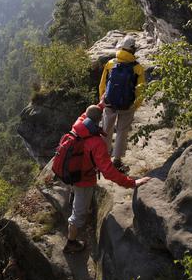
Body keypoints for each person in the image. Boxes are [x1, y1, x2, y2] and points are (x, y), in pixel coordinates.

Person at [63, 105, 150, 253]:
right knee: (77, 216)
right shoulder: (96, 143)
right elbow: (109, 172)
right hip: (83, 181)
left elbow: (87, 113)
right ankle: (70, 243)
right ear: (100, 120)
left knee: (78, 196)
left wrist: (102, 102)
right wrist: (132, 183)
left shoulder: (78, 124)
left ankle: (76, 201)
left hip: (71, 173)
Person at [99, 35, 146, 173]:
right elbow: (140, 90)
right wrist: (135, 105)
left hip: (109, 103)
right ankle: (117, 161)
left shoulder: (111, 63)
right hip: (127, 106)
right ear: (133, 50)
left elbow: (102, 84)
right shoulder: (138, 68)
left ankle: (103, 158)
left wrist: (102, 100)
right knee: (122, 131)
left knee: (106, 130)